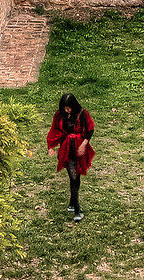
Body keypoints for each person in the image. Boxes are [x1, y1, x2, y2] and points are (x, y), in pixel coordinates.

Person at [46, 92, 94, 221]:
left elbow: (90, 130)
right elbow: (54, 130)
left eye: (69, 108)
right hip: (67, 150)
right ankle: (77, 210)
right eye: (65, 108)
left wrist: (84, 144)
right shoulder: (59, 115)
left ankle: (72, 203)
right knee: (73, 177)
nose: (67, 111)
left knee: (75, 177)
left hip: (79, 150)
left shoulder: (83, 114)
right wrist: (50, 146)